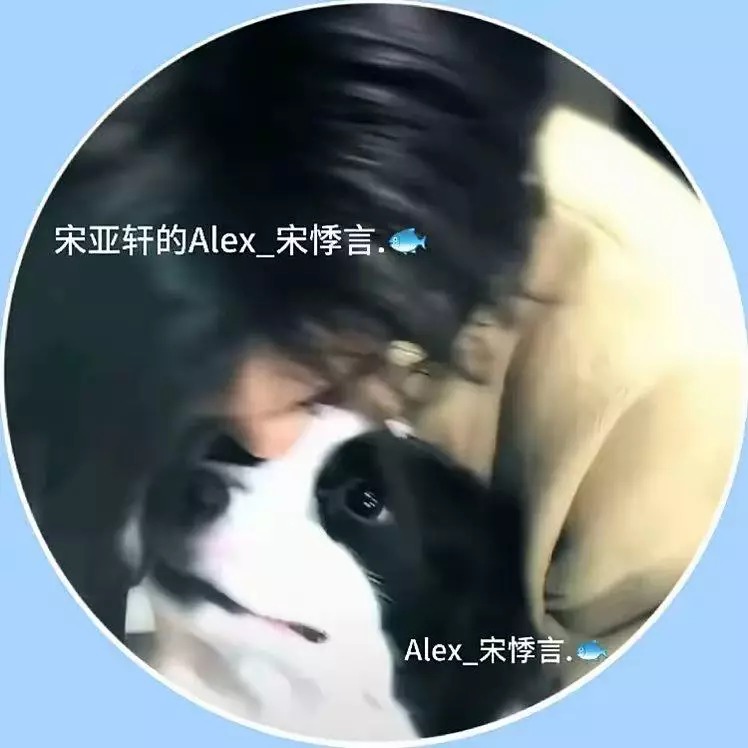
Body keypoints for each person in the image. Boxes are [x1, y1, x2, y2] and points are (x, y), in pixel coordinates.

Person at [4, 3, 745, 692]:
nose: (263, 440)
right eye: (201, 396)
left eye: (325, 384)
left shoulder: (672, 365)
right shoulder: (70, 238)